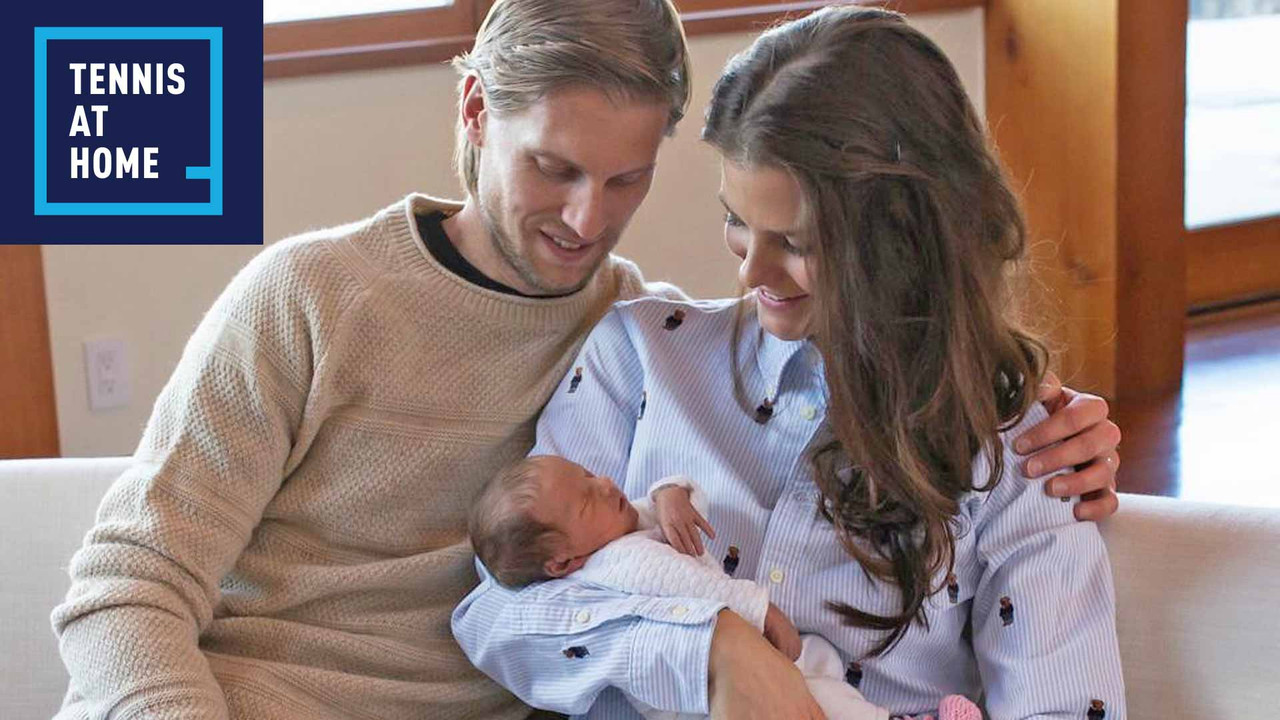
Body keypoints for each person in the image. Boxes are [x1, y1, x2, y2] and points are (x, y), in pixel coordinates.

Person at [51, 1, 1119, 719]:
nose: (583, 221)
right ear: (473, 109)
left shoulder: (632, 333)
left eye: (626, 182)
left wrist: (1039, 420)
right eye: (553, 169)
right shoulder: (314, 299)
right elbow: (127, 587)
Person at [452, 6, 1126, 719]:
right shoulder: (639, 358)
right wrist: (713, 653)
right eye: (738, 222)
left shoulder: (1022, 446)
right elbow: (502, 616)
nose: (752, 274)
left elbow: (1064, 701)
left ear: (907, 236)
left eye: (798, 241)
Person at [468, 455, 984, 720]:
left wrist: (669, 492)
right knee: (817, 697)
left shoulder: (617, 531)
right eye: (587, 500)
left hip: (741, 663)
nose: (604, 484)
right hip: (694, 697)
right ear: (562, 562)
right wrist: (761, 611)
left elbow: (682, 514)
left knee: (821, 669)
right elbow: (695, 586)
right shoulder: (623, 563)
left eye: (588, 473)